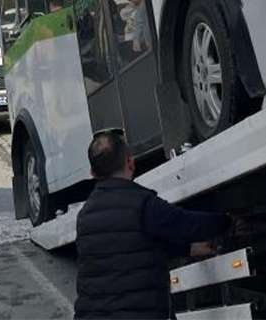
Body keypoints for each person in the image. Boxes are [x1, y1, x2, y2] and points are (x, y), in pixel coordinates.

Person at [75, 130, 232, 319]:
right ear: (130, 162)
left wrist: (188, 249)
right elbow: (187, 225)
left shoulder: (85, 216)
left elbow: (130, 250)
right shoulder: (143, 205)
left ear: (92, 173)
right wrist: (228, 221)